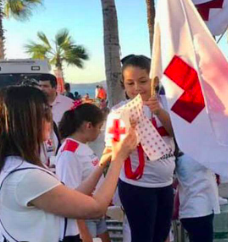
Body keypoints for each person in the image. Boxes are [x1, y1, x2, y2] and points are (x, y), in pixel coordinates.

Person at [0, 85, 137, 242]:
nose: (51, 120)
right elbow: (96, 208)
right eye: (45, 113)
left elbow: (73, 196)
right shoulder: (26, 176)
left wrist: (103, 163)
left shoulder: (15, 167)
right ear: (26, 121)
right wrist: (118, 158)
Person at [107, 55, 176, 242]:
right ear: (123, 84)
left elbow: (178, 137)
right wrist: (128, 128)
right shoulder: (118, 111)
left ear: (153, 81)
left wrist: (159, 112)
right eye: (130, 83)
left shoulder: (167, 103)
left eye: (143, 81)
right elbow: (114, 149)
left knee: (161, 235)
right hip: (137, 186)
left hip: (165, 184)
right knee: (142, 237)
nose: (137, 88)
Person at [56, 103, 111, 242]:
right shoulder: (69, 153)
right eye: (99, 127)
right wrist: (83, 231)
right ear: (88, 126)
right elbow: (70, 197)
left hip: (94, 213)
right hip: (84, 219)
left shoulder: (82, 147)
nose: (99, 132)